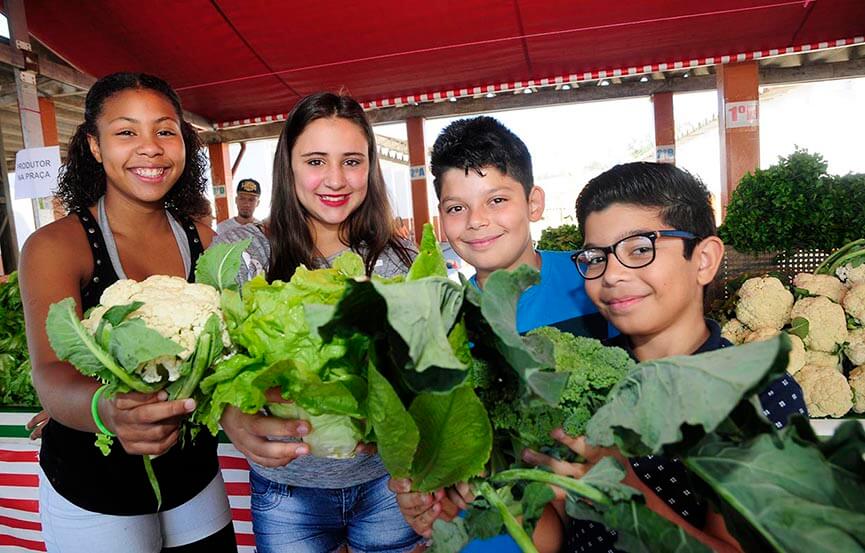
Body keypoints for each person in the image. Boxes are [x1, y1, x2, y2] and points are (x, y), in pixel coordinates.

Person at [524, 162, 809, 553]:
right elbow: (556, 530)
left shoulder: (759, 395)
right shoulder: (581, 381)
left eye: (640, 249)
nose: (612, 275)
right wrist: (478, 499)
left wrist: (627, 493)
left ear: (704, 259)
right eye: (596, 256)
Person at [18, 73, 239, 552]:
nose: (150, 148)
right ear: (94, 146)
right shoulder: (55, 246)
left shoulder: (204, 240)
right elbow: (50, 372)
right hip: (93, 483)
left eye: (165, 131)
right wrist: (104, 410)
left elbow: (230, 349)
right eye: (126, 132)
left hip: (194, 472)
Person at [389, 116, 613, 553]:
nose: (476, 221)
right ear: (441, 217)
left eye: (496, 200)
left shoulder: (593, 281)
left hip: (594, 527)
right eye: (457, 207)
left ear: (534, 203)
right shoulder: (445, 324)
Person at [219, 92, 419, 553]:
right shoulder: (244, 257)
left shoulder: (401, 262)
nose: (335, 179)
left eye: (352, 161)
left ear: (371, 166)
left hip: (385, 485)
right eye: (315, 161)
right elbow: (213, 370)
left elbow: (425, 373)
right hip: (285, 488)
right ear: (287, 168)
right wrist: (231, 414)